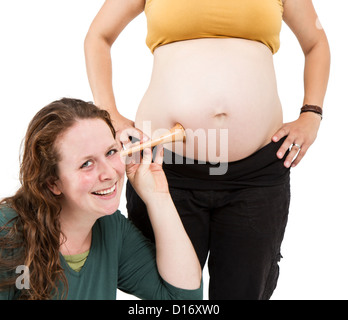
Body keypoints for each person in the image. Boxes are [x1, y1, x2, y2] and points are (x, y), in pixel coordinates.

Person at [84, 0, 330, 299]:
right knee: (169, 295)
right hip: (165, 171)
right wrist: (108, 111)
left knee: (245, 291)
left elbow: (315, 42)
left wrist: (312, 113)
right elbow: (98, 35)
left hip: (255, 175)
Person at [0, 98, 202, 300]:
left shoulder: (112, 229)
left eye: (111, 152)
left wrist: (158, 197)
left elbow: (184, 300)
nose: (110, 173)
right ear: (53, 182)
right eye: (87, 163)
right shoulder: (6, 232)